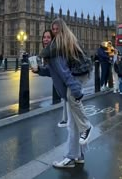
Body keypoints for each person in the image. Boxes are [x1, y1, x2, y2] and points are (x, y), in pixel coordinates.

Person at [40, 18, 93, 168]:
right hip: (81, 72)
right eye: (45, 36)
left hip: (78, 75)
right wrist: (40, 70)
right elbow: (55, 72)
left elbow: (65, 74)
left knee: (72, 119)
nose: (46, 39)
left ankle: (73, 152)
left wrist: (75, 92)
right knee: (73, 122)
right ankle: (78, 155)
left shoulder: (56, 50)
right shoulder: (59, 46)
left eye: (50, 35)